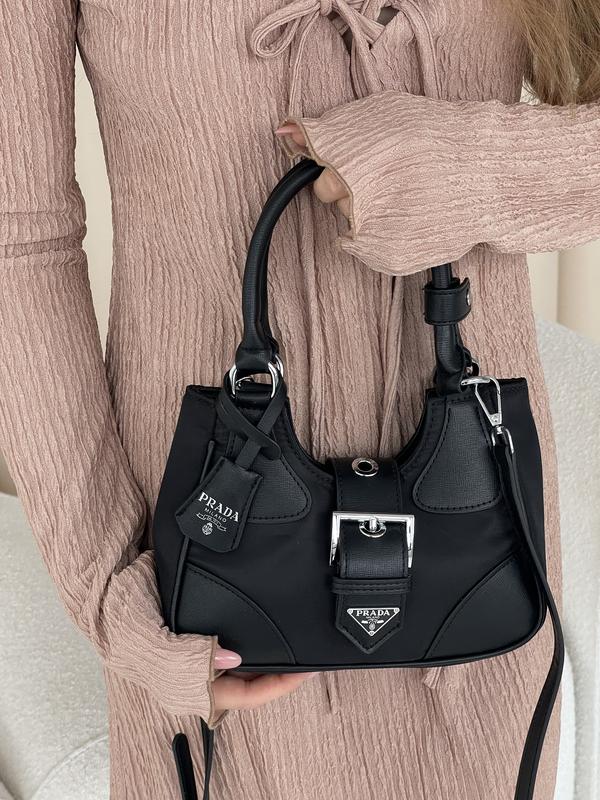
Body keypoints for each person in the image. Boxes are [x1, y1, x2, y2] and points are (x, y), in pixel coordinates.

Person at [1, 0, 599, 797]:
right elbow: (21, 239)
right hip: (205, 588)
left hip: (476, 551)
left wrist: (474, 166)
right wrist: (115, 598)